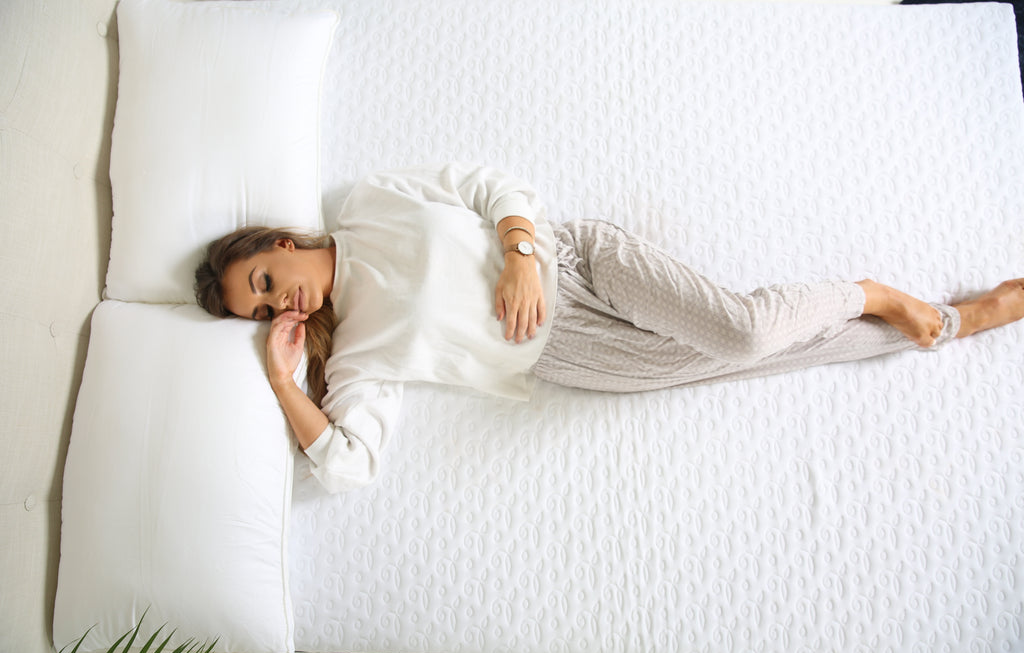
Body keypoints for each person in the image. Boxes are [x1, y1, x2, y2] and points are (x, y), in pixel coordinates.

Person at [194, 162, 1024, 493]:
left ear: (280, 241)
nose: (282, 305)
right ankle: (955, 320)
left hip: (576, 261)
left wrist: (520, 251)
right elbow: (347, 468)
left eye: (266, 283)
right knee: (760, 361)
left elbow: (489, 182)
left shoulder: (364, 203)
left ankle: (868, 289)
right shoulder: (356, 362)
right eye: (264, 312)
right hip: (572, 351)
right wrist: (280, 378)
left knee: (739, 332)